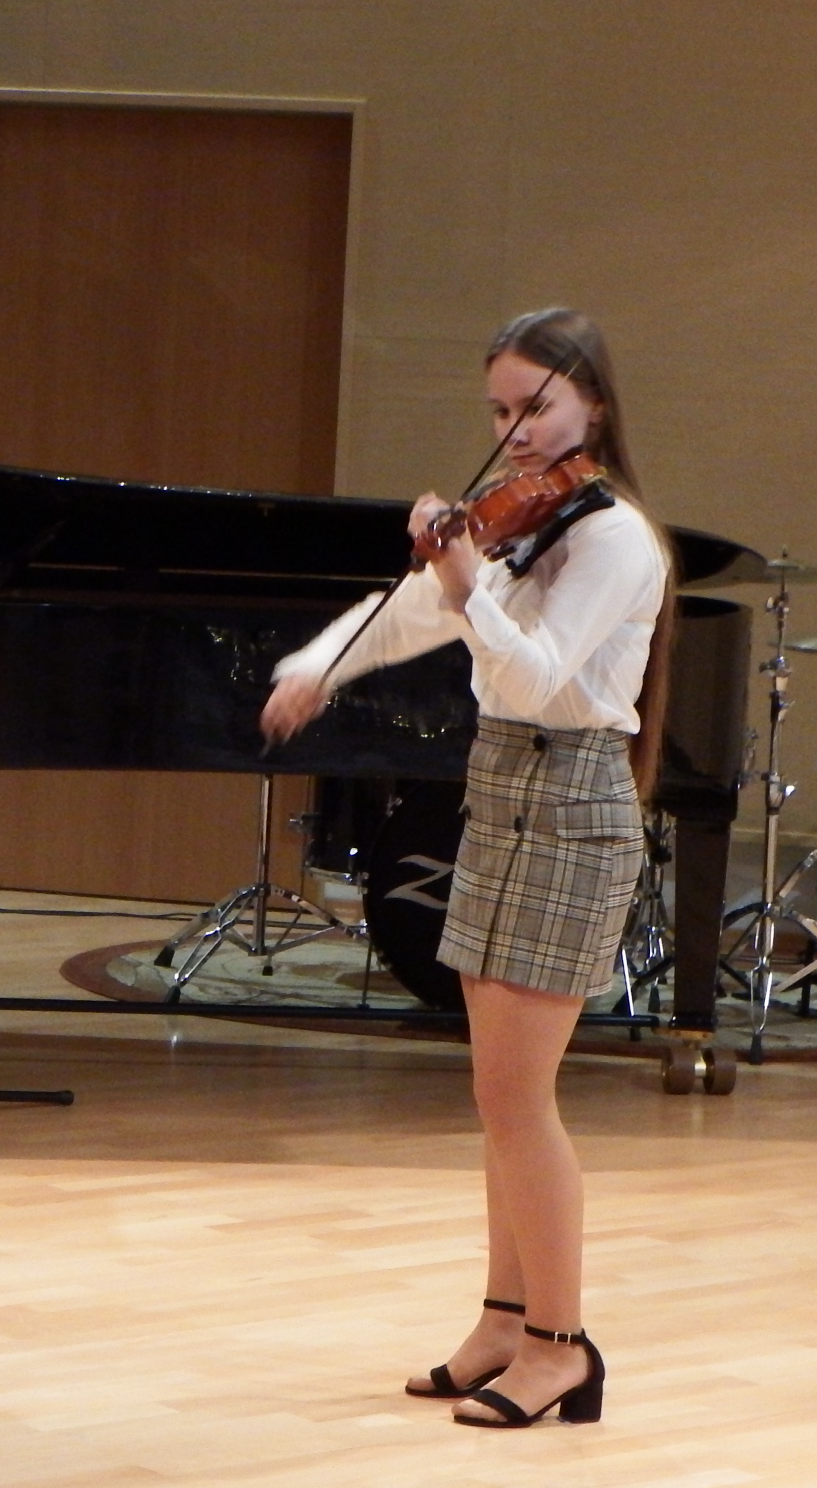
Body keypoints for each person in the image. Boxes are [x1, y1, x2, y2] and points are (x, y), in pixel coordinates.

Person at [261, 308, 672, 1429]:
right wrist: (318, 667)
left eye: (536, 406)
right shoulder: (524, 522)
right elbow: (406, 618)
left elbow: (537, 677)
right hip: (501, 790)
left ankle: (561, 1346)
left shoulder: (615, 540)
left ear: (594, 404)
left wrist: (465, 582)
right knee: (497, 1097)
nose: (515, 431)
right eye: (499, 410)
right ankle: (503, 1319)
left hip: (571, 801)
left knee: (518, 1099)